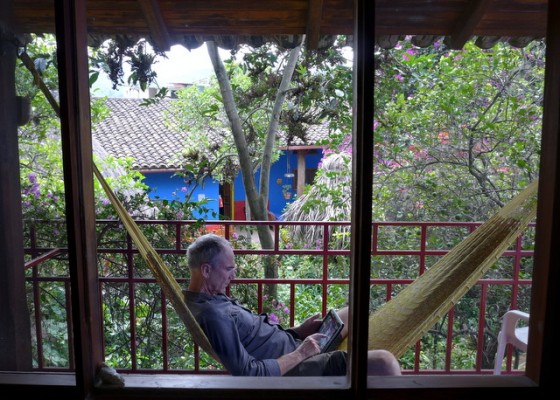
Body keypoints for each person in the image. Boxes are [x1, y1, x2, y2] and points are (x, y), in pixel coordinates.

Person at [183, 233, 402, 377]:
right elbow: (250, 374)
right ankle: (340, 369)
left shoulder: (211, 299)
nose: (234, 274)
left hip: (295, 346)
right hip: (295, 368)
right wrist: (302, 353)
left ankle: (345, 366)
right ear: (206, 270)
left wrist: (297, 332)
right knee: (386, 363)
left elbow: (253, 339)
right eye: (229, 268)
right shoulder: (214, 315)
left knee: (352, 312)